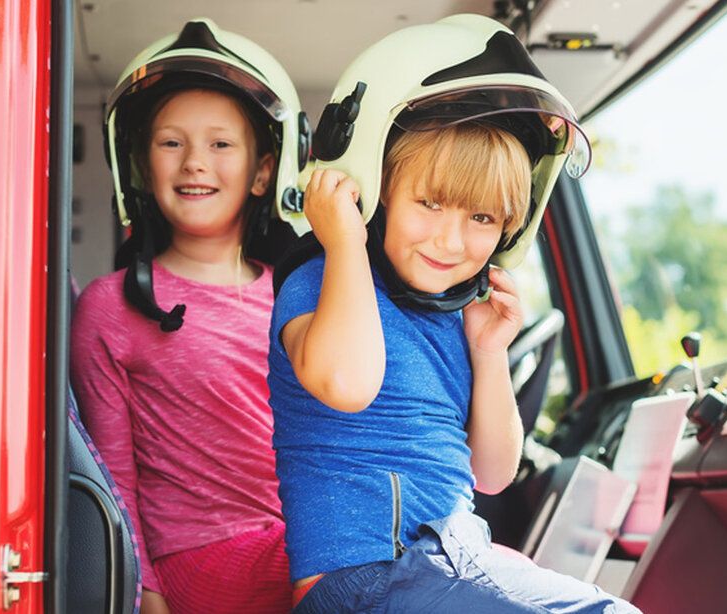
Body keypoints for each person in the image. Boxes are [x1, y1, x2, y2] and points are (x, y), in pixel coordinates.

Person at [269, 14, 641, 612]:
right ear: (377, 188)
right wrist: (342, 242)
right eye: (430, 202)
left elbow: (493, 474)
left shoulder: (455, 317)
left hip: (453, 559)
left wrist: (488, 353)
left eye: (482, 218)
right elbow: (346, 383)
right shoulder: (318, 280)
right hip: (363, 581)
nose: (450, 240)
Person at [71, 18, 309, 614]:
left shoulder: (298, 297)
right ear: (143, 168)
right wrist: (143, 589)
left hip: (298, 548)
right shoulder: (111, 305)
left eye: (221, 144)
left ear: (263, 172)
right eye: (171, 142)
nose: (194, 162)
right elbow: (110, 473)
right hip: (197, 560)